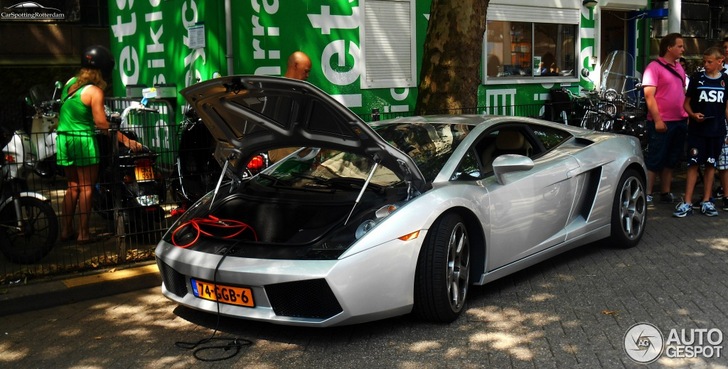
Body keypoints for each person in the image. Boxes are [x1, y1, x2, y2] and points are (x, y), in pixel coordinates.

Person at [57, 45, 143, 244]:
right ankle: (83, 233)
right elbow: (102, 124)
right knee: (87, 187)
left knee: (72, 187)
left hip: (63, 140)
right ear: (104, 70)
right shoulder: (94, 91)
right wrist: (127, 141)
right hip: (82, 141)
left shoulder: (70, 83)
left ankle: (66, 230)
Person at [673, 47, 728, 217]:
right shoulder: (697, 78)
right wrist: (693, 114)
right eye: (704, 61)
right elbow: (686, 104)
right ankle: (687, 201)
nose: (706, 64)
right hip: (697, 130)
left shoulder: (725, 80)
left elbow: (726, 108)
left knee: (711, 165)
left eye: (709, 62)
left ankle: (706, 200)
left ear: (720, 61)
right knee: (693, 163)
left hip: (716, 131)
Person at [642, 33, 688, 205]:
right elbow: (649, 96)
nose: (683, 49)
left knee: (671, 159)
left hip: (680, 120)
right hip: (663, 121)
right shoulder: (653, 67)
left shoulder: (679, 67)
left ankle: (665, 192)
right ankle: (647, 193)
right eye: (680, 46)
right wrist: (658, 120)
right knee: (655, 158)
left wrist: (686, 114)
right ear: (669, 47)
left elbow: (682, 92)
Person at [268, 51, 313, 163]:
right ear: (295, 65)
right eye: (306, 71)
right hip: (287, 158)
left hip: (297, 156)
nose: (307, 75)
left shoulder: (304, 93)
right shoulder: (275, 92)